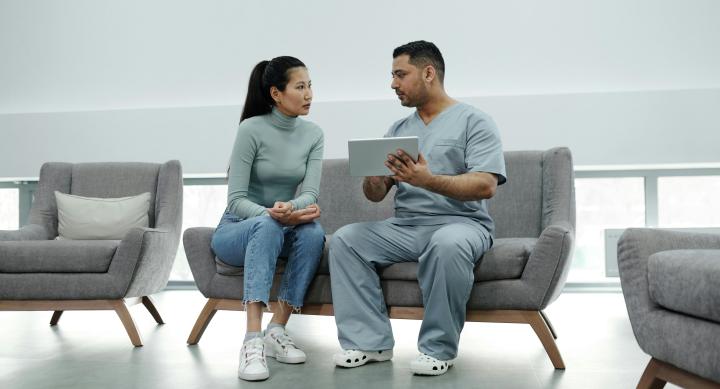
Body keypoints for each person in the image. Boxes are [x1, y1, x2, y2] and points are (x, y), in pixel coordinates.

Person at [329, 40, 506, 376]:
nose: (393, 84)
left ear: (428, 73)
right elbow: (375, 195)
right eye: (392, 76)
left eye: (400, 74)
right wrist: (375, 180)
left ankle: (438, 349)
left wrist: (426, 180)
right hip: (407, 227)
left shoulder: (475, 121)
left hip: (463, 224)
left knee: (447, 243)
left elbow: (485, 185)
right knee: (346, 239)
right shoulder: (397, 130)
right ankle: (370, 343)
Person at [210, 56, 325, 381]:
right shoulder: (251, 130)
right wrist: (274, 215)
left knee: (314, 232)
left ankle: (277, 329)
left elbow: (309, 193)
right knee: (266, 224)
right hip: (236, 230)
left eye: (310, 86)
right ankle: (251, 341)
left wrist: (295, 211)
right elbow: (236, 201)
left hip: (280, 223)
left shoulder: (313, 134)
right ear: (276, 93)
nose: (309, 94)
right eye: (300, 87)